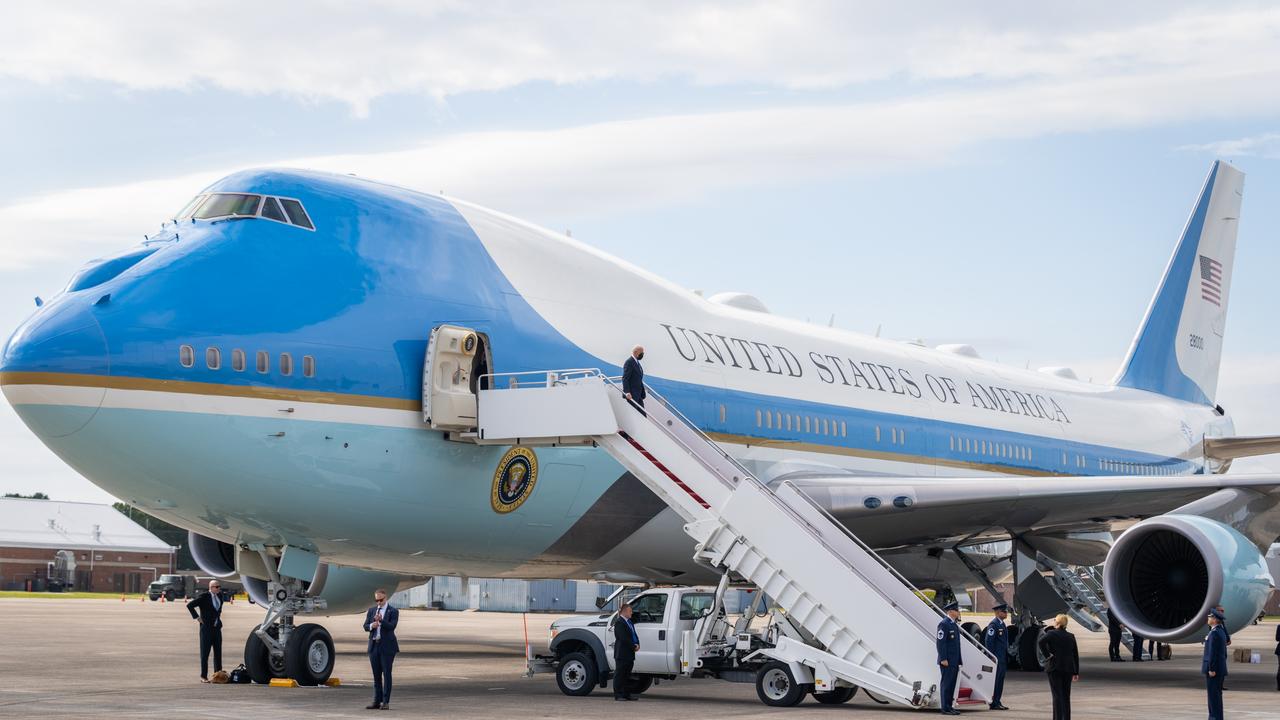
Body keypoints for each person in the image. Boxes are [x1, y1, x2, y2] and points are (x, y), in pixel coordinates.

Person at [1038, 614, 1080, 720]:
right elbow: (1075, 655)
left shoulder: (1051, 633)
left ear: (1057, 623)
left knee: (1057, 696)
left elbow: (1041, 642)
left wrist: (1048, 655)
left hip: (1055, 668)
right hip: (1068, 669)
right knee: (1066, 696)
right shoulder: (1071, 636)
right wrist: (1076, 672)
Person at [363, 589, 399, 710]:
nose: (378, 602)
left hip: (387, 647)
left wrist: (381, 620)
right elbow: (365, 626)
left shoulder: (393, 611)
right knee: (376, 675)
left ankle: (385, 702)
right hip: (374, 646)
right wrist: (371, 626)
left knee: (387, 674)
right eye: (376, 600)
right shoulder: (372, 610)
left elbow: (392, 626)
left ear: (386, 598)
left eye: (381, 600)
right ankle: (376, 701)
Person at [186, 580, 224, 683]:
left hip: (217, 628)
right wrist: (197, 617)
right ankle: (203, 676)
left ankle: (218, 675)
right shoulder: (204, 596)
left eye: (219, 587)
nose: (219, 589)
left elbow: (218, 611)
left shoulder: (220, 596)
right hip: (206, 629)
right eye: (216, 587)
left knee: (218, 652)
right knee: (205, 653)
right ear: (211, 588)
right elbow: (190, 605)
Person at [936, 601, 963, 716]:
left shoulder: (953, 624)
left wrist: (959, 660)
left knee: (952, 684)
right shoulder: (944, 624)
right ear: (951, 611)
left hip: (954, 660)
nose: (958, 612)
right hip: (947, 661)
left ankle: (950, 706)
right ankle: (945, 708)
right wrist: (943, 658)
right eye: (957, 610)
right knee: (946, 684)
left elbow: (956, 645)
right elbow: (940, 643)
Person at [982, 603, 1010, 710]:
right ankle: (994, 702)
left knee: (1000, 680)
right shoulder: (994, 625)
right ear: (998, 613)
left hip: (1002, 657)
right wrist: (992, 656)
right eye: (1004, 611)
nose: (1006, 613)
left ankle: (997, 701)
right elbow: (989, 641)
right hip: (997, 657)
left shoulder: (1001, 624)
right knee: (997, 680)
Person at [1204, 608, 1228, 720]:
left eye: (1210, 617)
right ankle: (1217, 717)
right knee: (1216, 696)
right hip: (1220, 668)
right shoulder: (1220, 631)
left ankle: (1214, 718)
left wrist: (1211, 669)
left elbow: (1212, 653)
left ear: (1214, 619)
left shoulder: (1214, 633)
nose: (1208, 619)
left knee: (1213, 697)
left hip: (1214, 670)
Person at [613, 602, 640, 701]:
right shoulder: (619, 622)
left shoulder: (629, 622)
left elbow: (633, 634)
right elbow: (623, 638)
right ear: (624, 612)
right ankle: (618, 694)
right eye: (630, 611)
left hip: (629, 653)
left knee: (627, 675)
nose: (631, 613)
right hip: (622, 653)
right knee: (620, 674)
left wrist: (637, 643)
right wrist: (633, 646)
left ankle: (626, 694)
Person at [622, 346, 646, 416]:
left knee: (643, 415)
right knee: (634, 415)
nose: (642, 355)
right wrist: (627, 392)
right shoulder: (629, 362)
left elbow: (639, 378)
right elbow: (625, 378)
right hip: (632, 395)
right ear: (636, 352)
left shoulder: (637, 363)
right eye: (641, 353)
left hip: (638, 395)